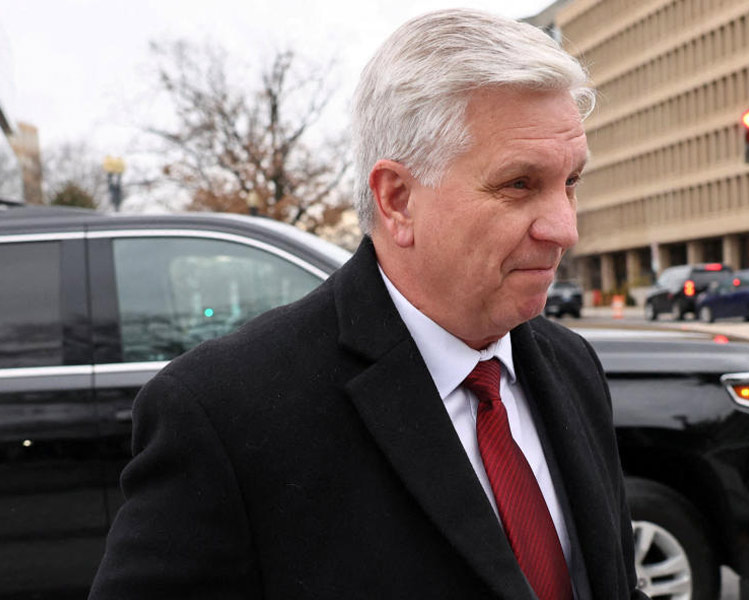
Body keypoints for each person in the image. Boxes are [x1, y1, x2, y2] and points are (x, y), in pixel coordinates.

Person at [89, 9, 646, 600]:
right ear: (398, 199)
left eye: (571, 183)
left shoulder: (573, 367)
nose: (564, 229)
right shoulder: (226, 413)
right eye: (518, 185)